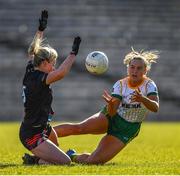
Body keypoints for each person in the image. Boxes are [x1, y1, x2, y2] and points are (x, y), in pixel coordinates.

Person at [54, 48, 160, 164]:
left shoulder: (149, 85)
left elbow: (155, 107)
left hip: (127, 129)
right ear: (128, 68)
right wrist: (110, 104)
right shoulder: (120, 84)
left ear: (145, 71)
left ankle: (71, 156)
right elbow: (112, 112)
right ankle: (42, 135)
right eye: (132, 67)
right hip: (111, 117)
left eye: (139, 68)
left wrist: (143, 99)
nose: (135, 71)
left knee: (92, 162)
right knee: (80, 128)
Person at [19, 10, 81, 165]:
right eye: (52, 63)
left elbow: (33, 51)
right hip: (31, 133)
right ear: (44, 63)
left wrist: (40, 30)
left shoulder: (31, 68)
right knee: (64, 161)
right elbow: (61, 73)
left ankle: (37, 158)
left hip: (42, 126)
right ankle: (35, 161)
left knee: (56, 153)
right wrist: (73, 54)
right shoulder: (40, 78)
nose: (54, 66)